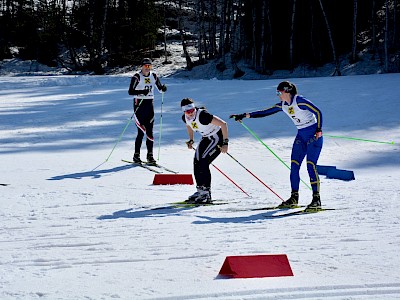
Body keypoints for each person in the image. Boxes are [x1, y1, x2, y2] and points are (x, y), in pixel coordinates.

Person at [230, 81, 323, 210]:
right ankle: (294, 197)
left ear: (287, 91)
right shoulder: (283, 105)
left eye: (279, 92)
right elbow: (264, 112)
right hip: (301, 136)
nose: (278, 95)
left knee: (310, 166)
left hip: (313, 136)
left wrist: (319, 129)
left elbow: (318, 112)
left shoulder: (300, 101)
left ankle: (316, 199)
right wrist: (244, 115)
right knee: (294, 166)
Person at [181, 98, 229, 203]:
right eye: (187, 112)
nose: (190, 114)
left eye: (192, 110)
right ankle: (200, 191)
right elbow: (188, 126)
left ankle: (206, 193)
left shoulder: (203, 115)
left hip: (217, 137)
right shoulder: (185, 118)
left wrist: (225, 143)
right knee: (196, 161)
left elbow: (223, 124)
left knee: (203, 162)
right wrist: (191, 139)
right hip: (206, 138)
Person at [128, 58, 167, 165]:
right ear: (142, 66)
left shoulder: (153, 76)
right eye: (145, 66)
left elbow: (159, 88)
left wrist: (163, 88)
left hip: (150, 105)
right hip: (139, 105)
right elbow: (130, 91)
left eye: (149, 66)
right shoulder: (137, 76)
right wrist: (141, 92)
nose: (147, 68)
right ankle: (136, 155)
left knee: (150, 131)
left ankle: (150, 155)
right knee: (141, 131)